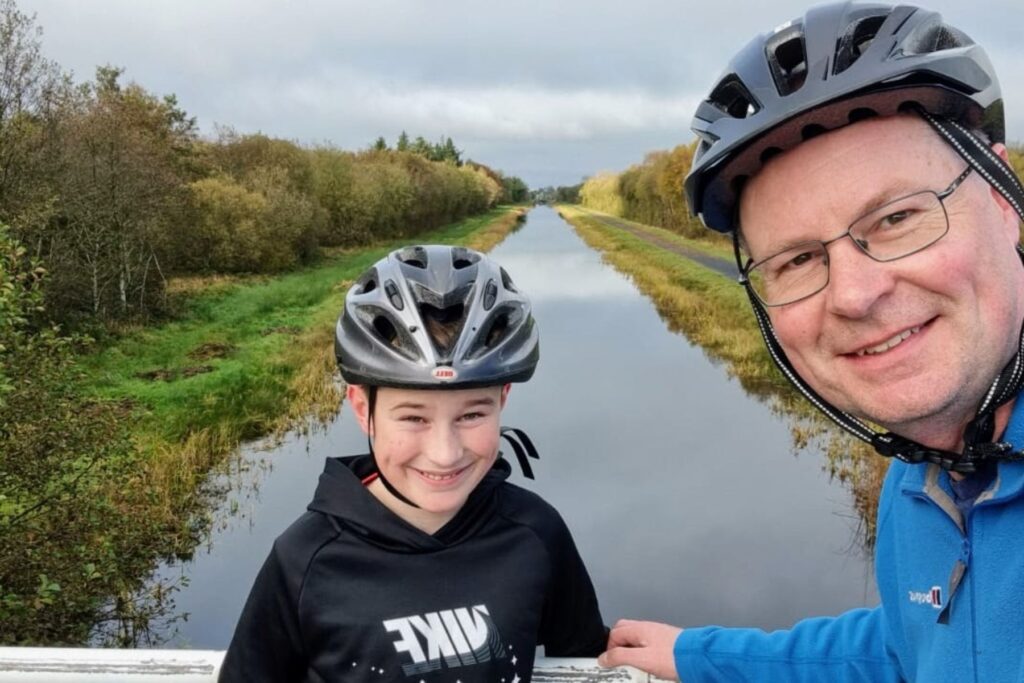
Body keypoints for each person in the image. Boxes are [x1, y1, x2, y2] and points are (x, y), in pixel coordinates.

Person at [599, 2, 1024, 681]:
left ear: (1004, 200)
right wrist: (700, 655)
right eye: (796, 260)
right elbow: (909, 648)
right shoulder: (921, 482)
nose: (855, 294)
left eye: (896, 218)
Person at [220, 244, 606, 682]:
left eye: (472, 414)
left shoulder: (537, 532)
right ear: (362, 408)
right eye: (413, 417)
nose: (444, 453)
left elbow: (585, 663)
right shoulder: (306, 559)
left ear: (503, 400)